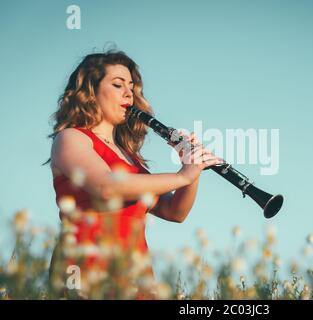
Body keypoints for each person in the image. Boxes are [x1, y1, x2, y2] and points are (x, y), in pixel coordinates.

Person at [43, 50, 223, 299]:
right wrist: (183, 176)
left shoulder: (129, 158)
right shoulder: (71, 138)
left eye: (132, 86)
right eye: (117, 85)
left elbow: (175, 212)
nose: (129, 93)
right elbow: (106, 186)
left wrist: (193, 165)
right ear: (90, 92)